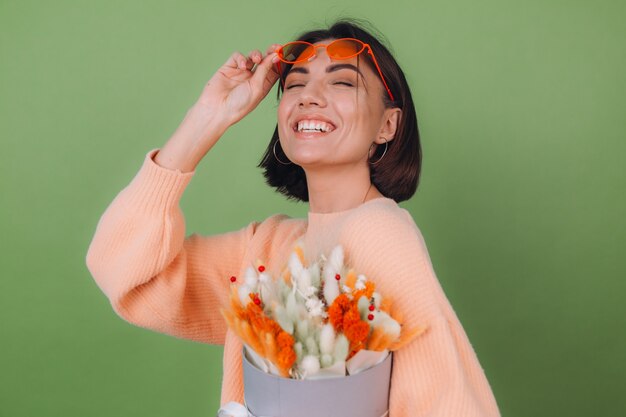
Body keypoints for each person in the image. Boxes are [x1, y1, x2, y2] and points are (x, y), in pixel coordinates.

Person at [86, 19, 501, 417]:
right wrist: (209, 117)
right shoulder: (267, 248)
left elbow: (448, 401)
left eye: (341, 82)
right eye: (295, 84)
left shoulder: (380, 234)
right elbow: (127, 276)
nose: (308, 96)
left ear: (387, 125)